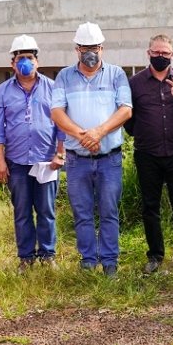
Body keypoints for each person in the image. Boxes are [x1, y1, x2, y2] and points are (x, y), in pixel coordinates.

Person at [51, 22, 132, 278]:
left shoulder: (117, 74)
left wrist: (99, 132)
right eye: (85, 48)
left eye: (94, 47)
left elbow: (126, 109)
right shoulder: (64, 76)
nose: (90, 52)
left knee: (109, 212)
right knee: (82, 212)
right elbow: (56, 112)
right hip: (77, 160)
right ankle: (88, 260)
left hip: (109, 158)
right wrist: (82, 135)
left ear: (102, 48)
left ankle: (109, 262)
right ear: (77, 49)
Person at [0, 35, 64, 270]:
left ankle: (47, 254)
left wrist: (60, 154)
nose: (25, 63)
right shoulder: (3, 91)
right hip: (17, 162)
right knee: (22, 211)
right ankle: (26, 257)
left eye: (29, 58)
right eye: (20, 58)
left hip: (46, 161)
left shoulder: (53, 87)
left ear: (37, 61)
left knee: (47, 210)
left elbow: (62, 124)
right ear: (12, 63)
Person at [125, 34, 173, 273]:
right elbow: (129, 119)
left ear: (172, 55)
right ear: (148, 53)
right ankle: (155, 255)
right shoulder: (135, 83)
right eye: (156, 53)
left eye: (165, 53)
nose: (160, 57)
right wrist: (145, 135)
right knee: (150, 206)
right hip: (147, 154)